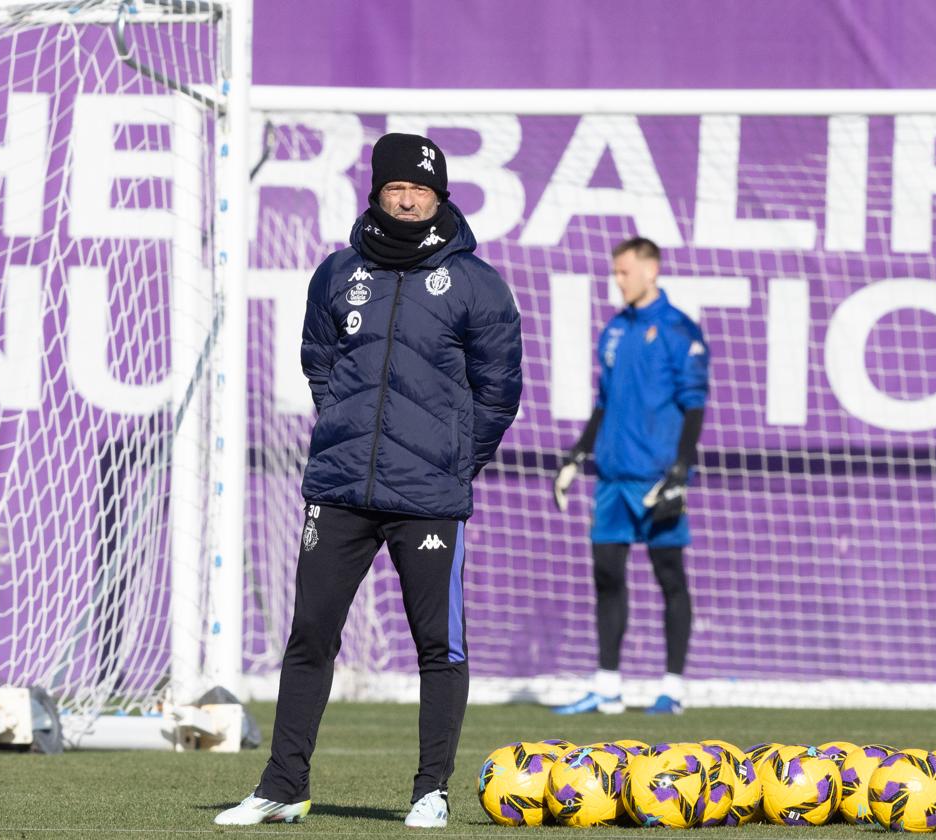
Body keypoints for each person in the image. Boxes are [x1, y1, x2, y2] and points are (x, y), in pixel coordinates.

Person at [215, 133, 523, 827]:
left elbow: (499, 392)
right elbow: (319, 363)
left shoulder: (475, 282)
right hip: (340, 490)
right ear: (378, 193)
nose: (409, 198)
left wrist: (450, 459)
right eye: (396, 188)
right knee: (309, 636)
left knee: (439, 647)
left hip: (429, 499)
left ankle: (429, 791)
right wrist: (352, 437)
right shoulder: (337, 273)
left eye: (422, 188)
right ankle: (282, 787)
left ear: (440, 196)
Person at [550, 237, 709, 716]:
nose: (617, 280)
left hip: (656, 478)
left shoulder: (680, 330)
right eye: (615, 272)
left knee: (669, 577)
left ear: (650, 271)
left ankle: (673, 688)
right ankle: (607, 685)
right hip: (613, 479)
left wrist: (680, 469)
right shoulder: (615, 330)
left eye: (624, 272)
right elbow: (605, 402)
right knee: (606, 575)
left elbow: (694, 404)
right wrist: (578, 454)